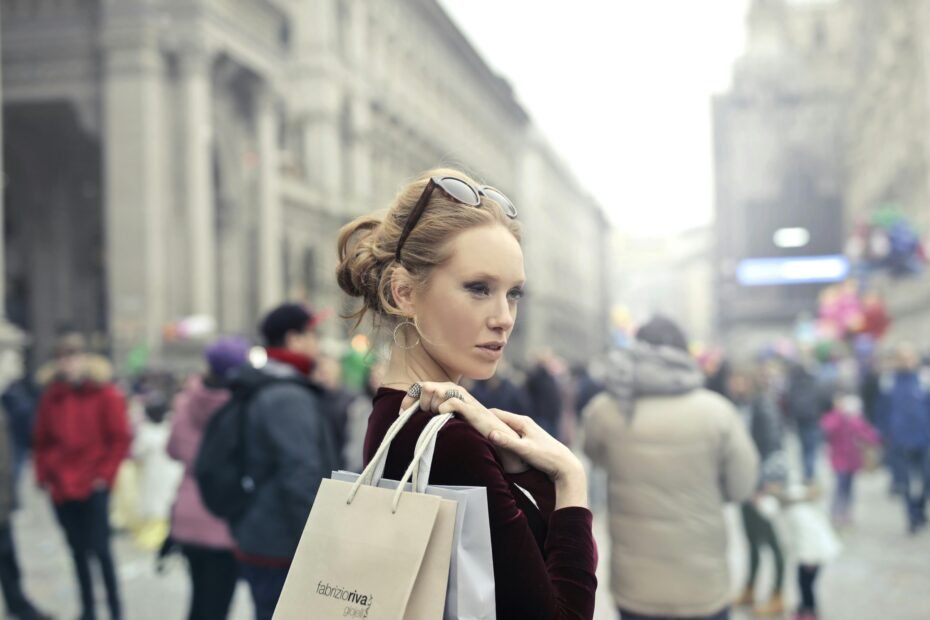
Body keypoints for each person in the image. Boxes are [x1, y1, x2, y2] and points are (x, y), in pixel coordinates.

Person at [336, 168, 597, 618]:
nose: (504, 317)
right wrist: (569, 478)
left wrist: (523, 471)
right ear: (403, 292)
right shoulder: (447, 438)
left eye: (513, 294)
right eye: (479, 289)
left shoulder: (395, 411)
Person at [583, 316, 759, 620]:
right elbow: (742, 486)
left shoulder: (606, 410)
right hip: (703, 584)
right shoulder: (717, 412)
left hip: (636, 585)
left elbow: (595, 457)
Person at [232, 303, 339, 620]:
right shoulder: (287, 395)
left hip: (268, 535)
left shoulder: (271, 383)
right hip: (281, 544)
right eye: (313, 333)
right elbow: (300, 474)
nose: (317, 342)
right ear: (293, 339)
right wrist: (317, 543)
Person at [33, 333, 131, 620]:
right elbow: (41, 441)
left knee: (101, 551)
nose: (69, 364)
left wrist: (104, 476)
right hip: (63, 485)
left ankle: (115, 610)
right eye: (63, 358)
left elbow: (119, 439)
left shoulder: (105, 394)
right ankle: (88, 609)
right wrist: (46, 475)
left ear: (85, 359)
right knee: (77, 552)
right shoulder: (52, 397)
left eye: (74, 357)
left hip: (93, 483)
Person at [168, 337, 250, 620]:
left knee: (198, 599)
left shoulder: (186, 399)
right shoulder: (240, 406)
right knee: (218, 604)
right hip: (221, 516)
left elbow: (173, 450)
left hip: (188, 511)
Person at [728, 366, 787, 617]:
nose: (737, 385)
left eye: (742, 379)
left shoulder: (763, 406)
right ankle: (750, 587)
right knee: (750, 538)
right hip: (745, 483)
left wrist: (765, 485)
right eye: (734, 379)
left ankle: (778, 593)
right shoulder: (737, 406)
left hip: (762, 485)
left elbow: (773, 445)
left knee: (771, 541)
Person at [875, 343, 930, 533]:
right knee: (904, 482)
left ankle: (920, 507)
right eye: (902, 357)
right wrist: (883, 434)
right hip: (899, 439)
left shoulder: (924, 379)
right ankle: (912, 517)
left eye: (909, 357)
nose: (906, 361)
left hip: (924, 438)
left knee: (926, 479)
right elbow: (881, 411)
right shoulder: (889, 382)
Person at [773, 483, 842, 620]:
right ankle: (803, 607)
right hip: (809, 555)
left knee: (807, 585)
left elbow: (808, 537)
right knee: (801, 582)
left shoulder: (797, 512)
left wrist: (810, 559)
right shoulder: (795, 504)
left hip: (812, 556)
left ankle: (809, 611)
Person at [820, 393, 880, 526]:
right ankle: (835, 512)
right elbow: (827, 429)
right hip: (839, 460)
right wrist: (840, 416)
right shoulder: (833, 417)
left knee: (850, 488)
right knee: (840, 487)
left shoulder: (856, 420)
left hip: (853, 461)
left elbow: (869, 435)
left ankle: (847, 512)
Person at [786, 361, 831, 482]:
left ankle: (807, 473)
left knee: (804, 448)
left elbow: (789, 403)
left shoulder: (794, 385)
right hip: (813, 419)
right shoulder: (814, 383)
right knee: (811, 449)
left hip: (800, 421)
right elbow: (824, 400)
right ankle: (809, 474)